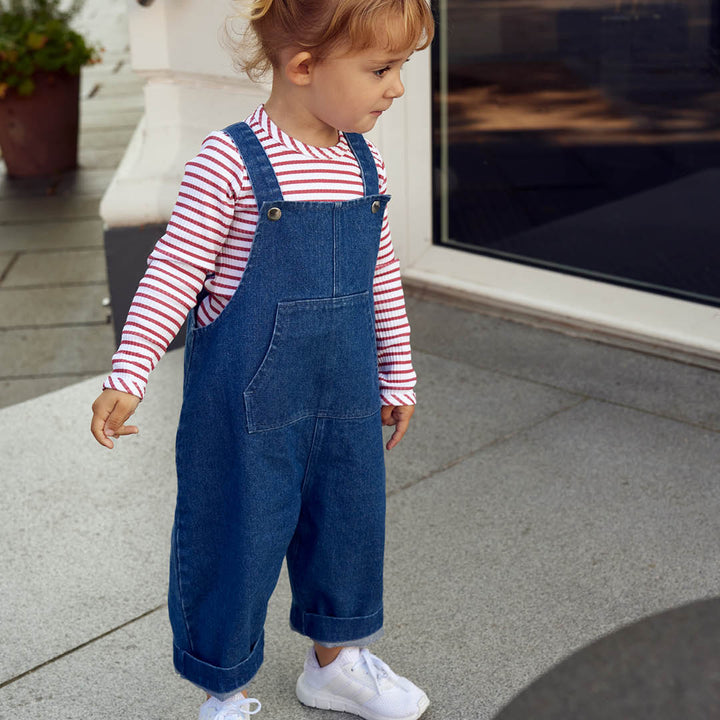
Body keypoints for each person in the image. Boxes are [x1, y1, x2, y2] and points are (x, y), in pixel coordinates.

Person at [90, 0, 434, 718]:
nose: (397, 87)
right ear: (304, 67)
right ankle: (225, 689)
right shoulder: (231, 162)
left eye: (400, 68)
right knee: (234, 539)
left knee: (348, 527)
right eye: (381, 69)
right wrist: (131, 370)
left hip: (343, 400)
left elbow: (381, 279)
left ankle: (335, 663)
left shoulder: (362, 160)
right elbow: (174, 270)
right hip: (244, 411)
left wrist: (397, 373)